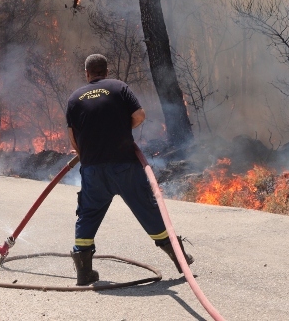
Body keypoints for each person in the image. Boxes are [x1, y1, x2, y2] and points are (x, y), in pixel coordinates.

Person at [66, 53, 195, 286]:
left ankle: (84, 273)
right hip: (124, 164)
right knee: (148, 209)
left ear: (87, 74)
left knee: (88, 214)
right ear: (106, 71)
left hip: (93, 169)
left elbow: (73, 140)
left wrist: (89, 151)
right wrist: (122, 130)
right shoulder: (118, 87)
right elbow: (139, 116)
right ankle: (180, 259)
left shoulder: (74, 98)